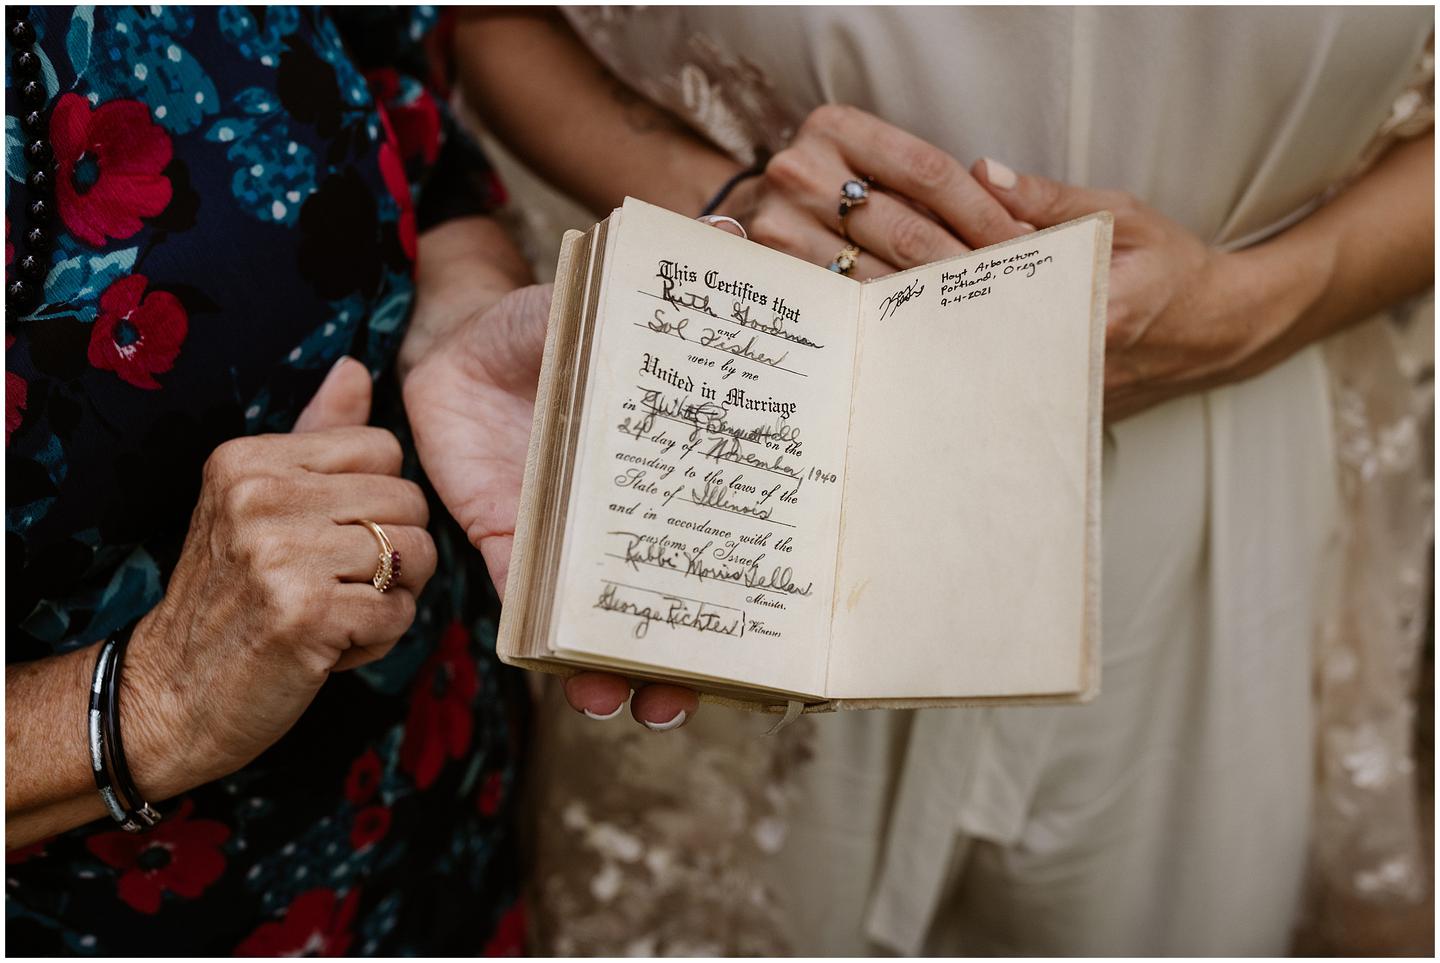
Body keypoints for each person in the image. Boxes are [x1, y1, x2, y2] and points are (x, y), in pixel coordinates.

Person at [453, 7, 1434, 954]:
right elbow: (484, 22)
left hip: (1217, 480)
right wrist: (731, 199)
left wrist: (1258, 307)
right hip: (754, 463)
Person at [3, 5, 686, 953]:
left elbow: (393, 77)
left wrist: (462, 320)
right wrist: (153, 698)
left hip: (436, 746)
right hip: (133, 901)